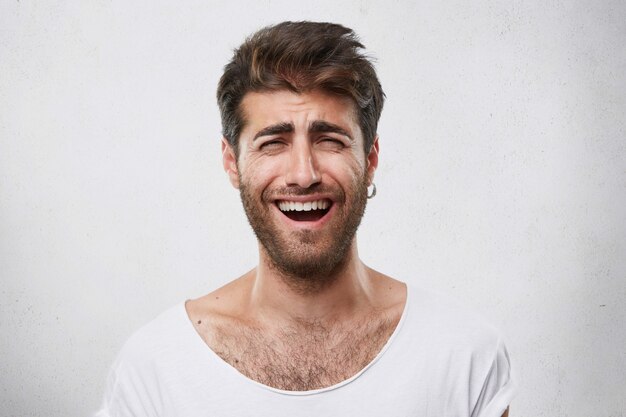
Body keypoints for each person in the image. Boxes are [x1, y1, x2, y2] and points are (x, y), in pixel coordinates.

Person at [95, 21, 515, 417]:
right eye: (273, 143)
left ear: (369, 160)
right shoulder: (155, 368)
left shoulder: (464, 356)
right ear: (232, 162)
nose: (303, 174)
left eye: (329, 140)